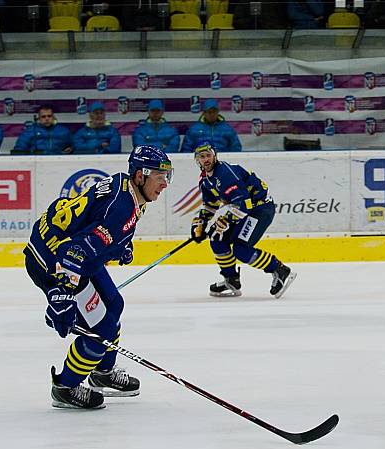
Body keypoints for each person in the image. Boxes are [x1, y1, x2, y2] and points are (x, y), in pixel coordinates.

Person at [24, 146, 172, 409]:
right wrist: (61, 293)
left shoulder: (124, 185)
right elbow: (74, 251)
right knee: (99, 330)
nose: (164, 184)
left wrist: (118, 246)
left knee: (114, 305)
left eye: (167, 176)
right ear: (140, 175)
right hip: (56, 262)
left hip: (71, 253)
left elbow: (90, 221)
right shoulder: (122, 208)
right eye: (160, 177)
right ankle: (66, 386)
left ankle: (102, 371)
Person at [188, 140, 296, 299]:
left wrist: (224, 220)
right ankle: (231, 280)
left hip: (260, 209)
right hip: (246, 209)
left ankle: (279, 270)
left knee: (241, 249)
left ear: (215, 155)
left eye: (208, 155)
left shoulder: (225, 174)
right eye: (202, 156)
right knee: (217, 239)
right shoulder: (205, 180)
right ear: (197, 160)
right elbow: (211, 205)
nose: (206, 159)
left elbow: (243, 205)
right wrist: (201, 223)